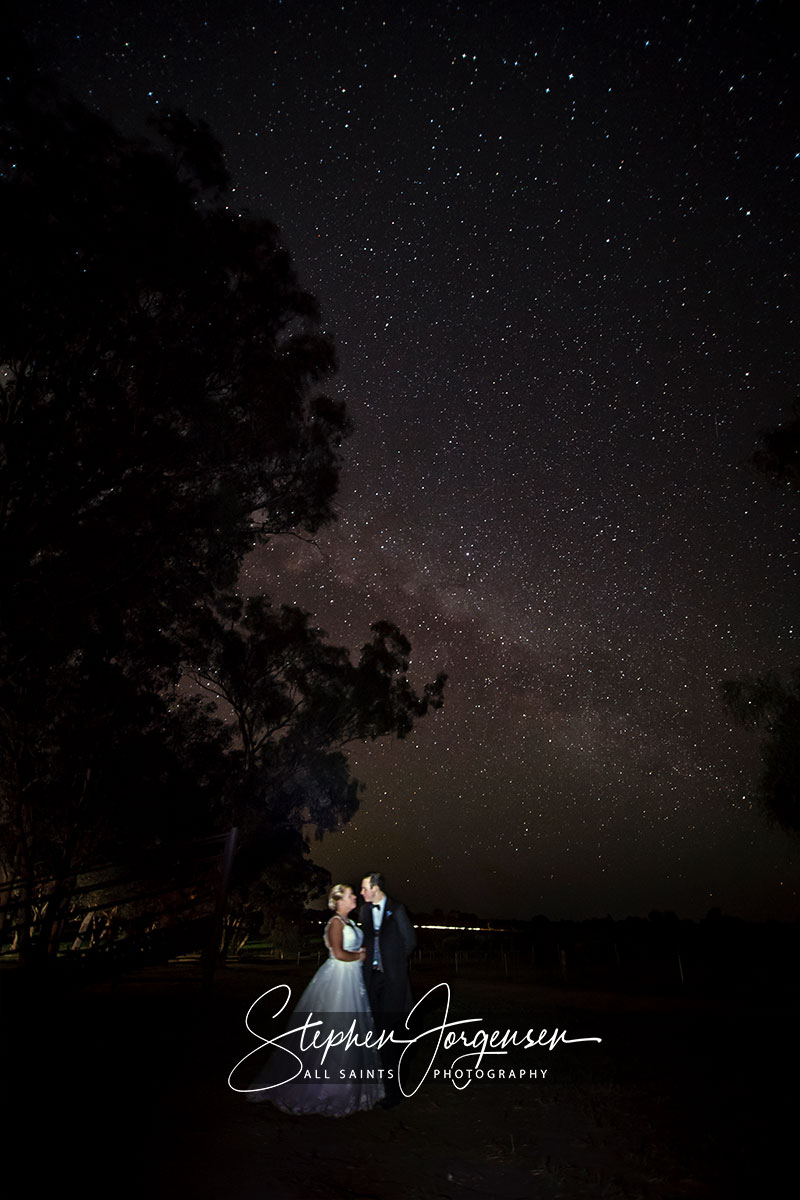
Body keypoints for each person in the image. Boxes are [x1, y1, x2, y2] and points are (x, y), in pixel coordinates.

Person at [246, 884, 385, 1116]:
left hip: (352, 979)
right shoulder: (335, 923)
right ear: (339, 900)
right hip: (338, 978)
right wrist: (361, 956)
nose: (354, 898)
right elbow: (339, 953)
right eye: (351, 895)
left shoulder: (350, 923)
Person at [358, 872, 416, 1104]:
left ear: (375, 888)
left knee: (390, 1037)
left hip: (392, 983)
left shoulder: (398, 909)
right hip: (371, 981)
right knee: (373, 1035)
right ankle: (374, 1088)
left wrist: (391, 965)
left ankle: (392, 1093)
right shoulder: (364, 911)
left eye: (364, 888)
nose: (361, 893)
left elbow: (410, 941)